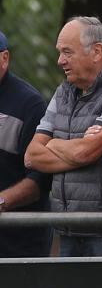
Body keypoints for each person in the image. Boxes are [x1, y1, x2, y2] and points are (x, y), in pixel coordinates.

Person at [24, 17, 102, 257]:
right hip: (68, 229)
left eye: (67, 52)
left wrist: (55, 143)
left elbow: (85, 152)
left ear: (97, 51)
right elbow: (32, 156)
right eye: (60, 53)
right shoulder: (64, 92)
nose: (60, 61)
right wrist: (81, 149)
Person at [0, 30, 52, 257]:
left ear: (4, 59)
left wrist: (1, 201)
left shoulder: (30, 104)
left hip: (19, 242)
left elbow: (39, 181)